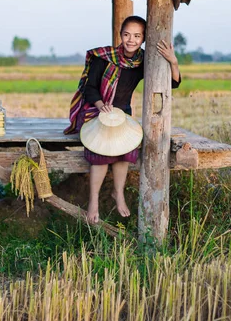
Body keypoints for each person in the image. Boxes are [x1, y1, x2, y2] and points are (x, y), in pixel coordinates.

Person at [64, 16, 181, 224]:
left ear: (144, 38)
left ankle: (118, 194)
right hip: (95, 110)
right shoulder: (104, 57)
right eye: (127, 34)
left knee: (125, 149)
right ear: (120, 35)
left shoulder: (144, 61)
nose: (131, 40)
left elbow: (171, 84)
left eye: (137, 36)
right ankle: (93, 201)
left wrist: (173, 61)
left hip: (122, 114)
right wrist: (102, 107)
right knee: (101, 148)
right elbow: (89, 88)